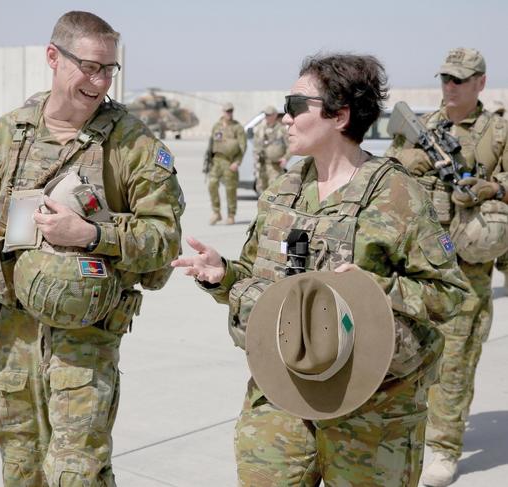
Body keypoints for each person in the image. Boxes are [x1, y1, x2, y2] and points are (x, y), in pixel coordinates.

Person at [172, 53, 469, 486]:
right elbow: (267, 285)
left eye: (296, 105)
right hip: (281, 398)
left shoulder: (397, 194)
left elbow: (451, 295)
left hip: (372, 414)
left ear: (339, 115)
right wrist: (225, 276)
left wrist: (377, 289)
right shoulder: (285, 189)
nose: (286, 119)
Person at [0, 11, 184, 486]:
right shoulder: (8, 137)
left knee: (77, 474)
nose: (100, 81)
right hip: (15, 339)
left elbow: (163, 242)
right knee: (21, 469)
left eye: (109, 69)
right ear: (53, 57)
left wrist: (91, 236)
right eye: (89, 66)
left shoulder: (132, 145)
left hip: (85, 345)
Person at [386, 47, 508, 487]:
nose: (450, 87)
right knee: (406, 356)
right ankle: (410, 438)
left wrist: (492, 187)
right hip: (417, 265)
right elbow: (388, 183)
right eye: (445, 79)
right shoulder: (424, 128)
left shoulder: (498, 131)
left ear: (480, 81)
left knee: (455, 362)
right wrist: (408, 162)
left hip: (467, 270)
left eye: (460, 79)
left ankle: (444, 448)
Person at [206, 102, 246, 225]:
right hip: (217, 161)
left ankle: (231, 215)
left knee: (230, 189)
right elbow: (211, 144)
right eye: (227, 111)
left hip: (230, 162)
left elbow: (243, 146)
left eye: (231, 111)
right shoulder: (216, 126)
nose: (229, 113)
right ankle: (216, 212)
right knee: (211, 184)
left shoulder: (237, 127)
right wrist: (209, 160)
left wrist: (237, 162)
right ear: (222, 112)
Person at [253, 105, 290, 193]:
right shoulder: (259, 129)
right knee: (262, 190)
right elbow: (256, 146)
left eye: (269, 115)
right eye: (266, 115)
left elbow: (290, 146)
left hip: (275, 166)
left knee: (274, 190)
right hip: (262, 165)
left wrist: (286, 158)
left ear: (275, 115)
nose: (267, 117)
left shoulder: (281, 129)